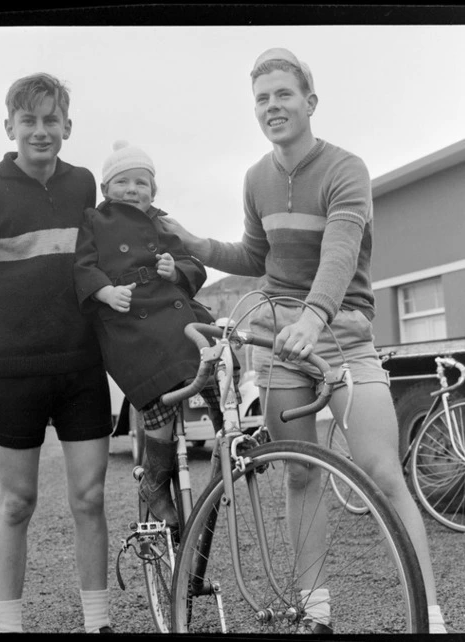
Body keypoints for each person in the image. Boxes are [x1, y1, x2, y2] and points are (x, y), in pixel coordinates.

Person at [160, 48, 448, 634]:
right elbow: (253, 255)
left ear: (310, 102)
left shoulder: (347, 169)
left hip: (340, 335)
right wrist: (194, 243)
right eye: (262, 99)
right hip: (279, 342)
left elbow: (341, 252)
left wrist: (313, 318)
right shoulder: (255, 179)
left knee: (380, 470)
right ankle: (316, 610)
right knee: (297, 472)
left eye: (283, 95)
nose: (273, 107)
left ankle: (432, 616)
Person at [0, 73, 114, 634]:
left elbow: (106, 258)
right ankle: (9, 625)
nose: (41, 131)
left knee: (89, 498)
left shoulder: (84, 184)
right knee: (17, 503)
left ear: (67, 126)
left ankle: (98, 622)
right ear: (9, 126)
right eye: (29, 121)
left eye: (51, 120)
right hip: (14, 375)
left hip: (83, 369)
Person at [74, 141, 237, 531]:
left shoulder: (162, 222)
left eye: (142, 183)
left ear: (153, 190)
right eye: (124, 181)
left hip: (173, 308)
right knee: (159, 395)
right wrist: (105, 291)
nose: (133, 189)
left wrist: (174, 269)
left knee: (215, 356)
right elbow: (82, 267)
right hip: (130, 321)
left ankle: (228, 436)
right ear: (107, 188)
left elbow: (192, 263)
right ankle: (155, 483)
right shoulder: (94, 221)